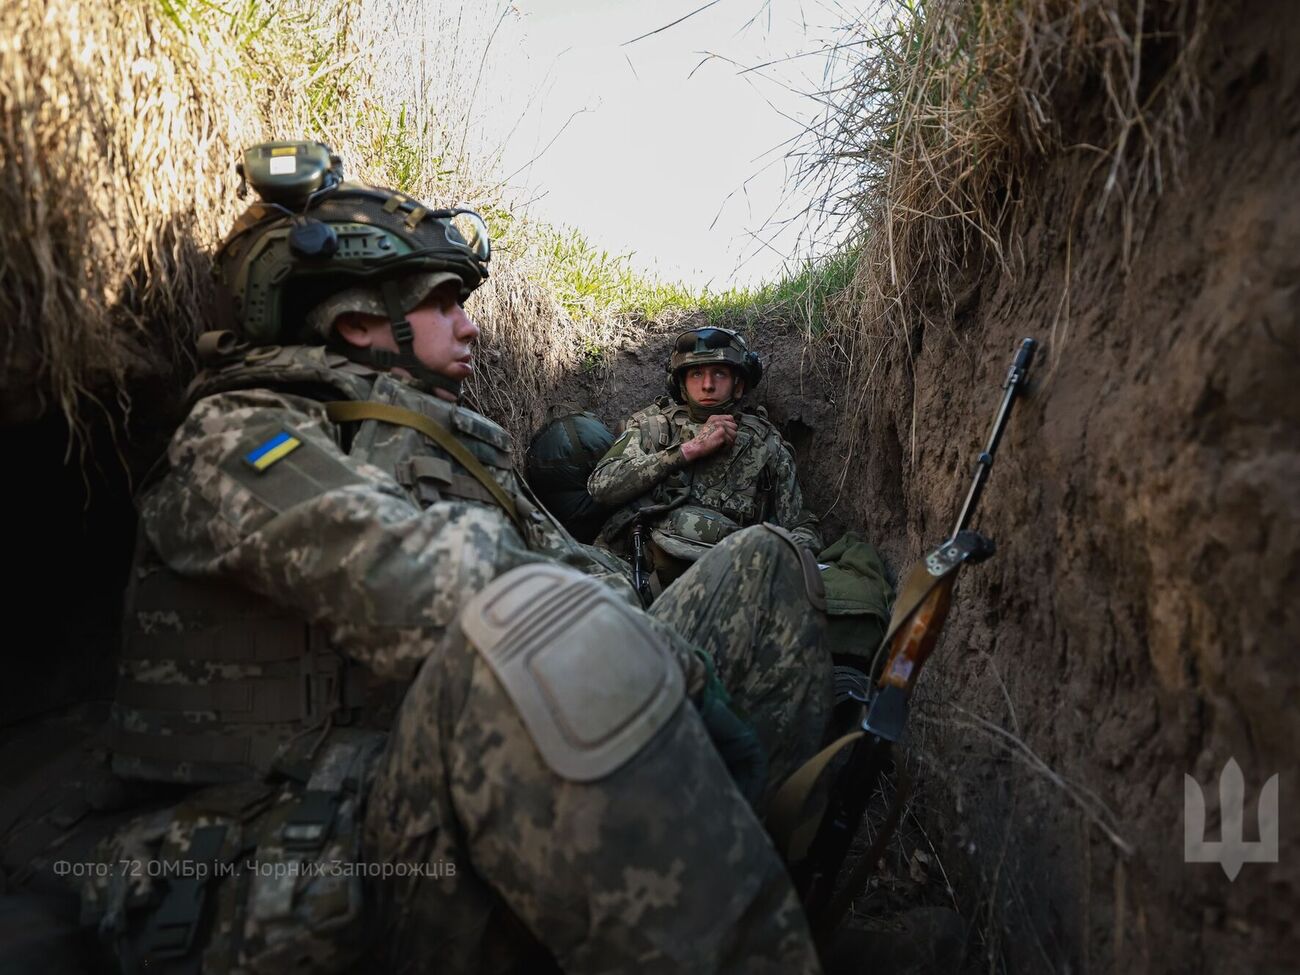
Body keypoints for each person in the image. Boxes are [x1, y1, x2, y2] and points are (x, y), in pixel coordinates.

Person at [74, 142, 832, 974]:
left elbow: (585, 572)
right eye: (444, 303)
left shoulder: (451, 439)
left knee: (765, 560)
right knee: (536, 632)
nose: (471, 324)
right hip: (286, 832)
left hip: (422, 775)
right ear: (360, 321)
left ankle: (743, 871)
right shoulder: (242, 435)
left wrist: (659, 651)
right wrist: (663, 661)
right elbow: (410, 573)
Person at [588, 326, 823, 589]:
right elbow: (601, 487)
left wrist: (770, 562)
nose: (708, 385)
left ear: (739, 385)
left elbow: (803, 528)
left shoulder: (765, 443)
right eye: (697, 374)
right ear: (681, 384)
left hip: (727, 581)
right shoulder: (653, 428)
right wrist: (687, 451)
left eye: (719, 374)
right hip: (634, 569)